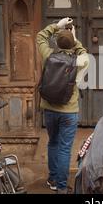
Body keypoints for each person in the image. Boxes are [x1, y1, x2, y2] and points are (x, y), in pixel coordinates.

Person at [36, 18, 89, 194]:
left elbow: (40, 37)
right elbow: (83, 52)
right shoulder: (80, 61)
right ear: (73, 44)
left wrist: (57, 26)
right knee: (65, 148)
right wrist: (74, 38)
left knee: (53, 143)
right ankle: (61, 186)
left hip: (49, 109)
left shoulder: (48, 55)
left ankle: (52, 178)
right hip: (69, 111)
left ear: (57, 43)